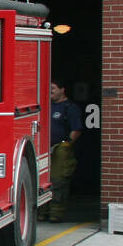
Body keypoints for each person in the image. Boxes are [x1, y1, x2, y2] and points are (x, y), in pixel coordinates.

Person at [41, 77, 82, 222]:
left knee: (58, 182)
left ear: (62, 90)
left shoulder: (70, 108)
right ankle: (41, 213)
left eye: (53, 88)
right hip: (45, 149)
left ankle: (55, 214)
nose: (50, 91)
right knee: (42, 181)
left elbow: (76, 129)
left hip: (60, 150)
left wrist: (67, 144)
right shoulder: (46, 106)